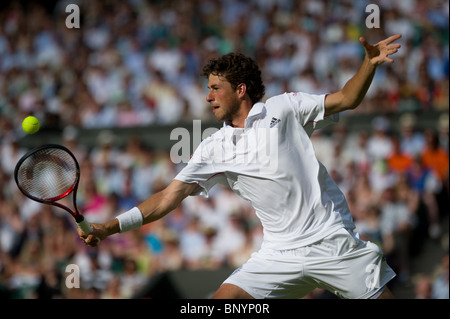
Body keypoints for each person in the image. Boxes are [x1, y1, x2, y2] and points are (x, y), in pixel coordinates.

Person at [79, 34, 402, 299]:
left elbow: (346, 98)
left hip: (332, 242)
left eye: (215, 88)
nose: (208, 97)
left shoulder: (285, 107)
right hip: (278, 255)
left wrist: (368, 65)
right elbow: (166, 198)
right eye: (208, 89)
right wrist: (109, 227)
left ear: (241, 90)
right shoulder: (212, 147)